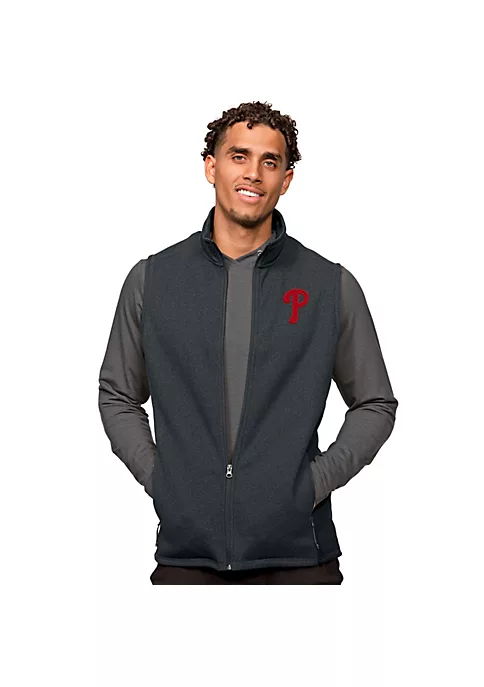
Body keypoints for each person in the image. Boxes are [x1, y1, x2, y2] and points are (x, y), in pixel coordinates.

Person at [98, 100, 398, 585]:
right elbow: (117, 394)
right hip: (186, 557)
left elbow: (375, 403)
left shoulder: (329, 285)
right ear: (210, 167)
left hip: (301, 560)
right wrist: (162, 481)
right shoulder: (153, 280)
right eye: (239, 156)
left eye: (270, 161)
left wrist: (310, 486)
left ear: (286, 179)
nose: (253, 173)